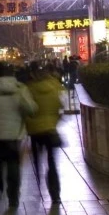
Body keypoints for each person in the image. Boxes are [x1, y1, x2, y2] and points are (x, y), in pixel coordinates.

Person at [0, 62, 36, 208]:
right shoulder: (20, 89)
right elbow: (31, 108)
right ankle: (13, 196)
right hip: (14, 134)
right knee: (13, 164)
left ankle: (0, 185)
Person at [26, 62, 64, 203]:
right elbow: (60, 106)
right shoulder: (54, 86)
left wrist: (28, 124)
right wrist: (54, 121)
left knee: (37, 157)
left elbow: (27, 109)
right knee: (51, 161)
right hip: (50, 129)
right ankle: (55, 194)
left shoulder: (30, 88)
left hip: (35, 130)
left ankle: (38, 181)